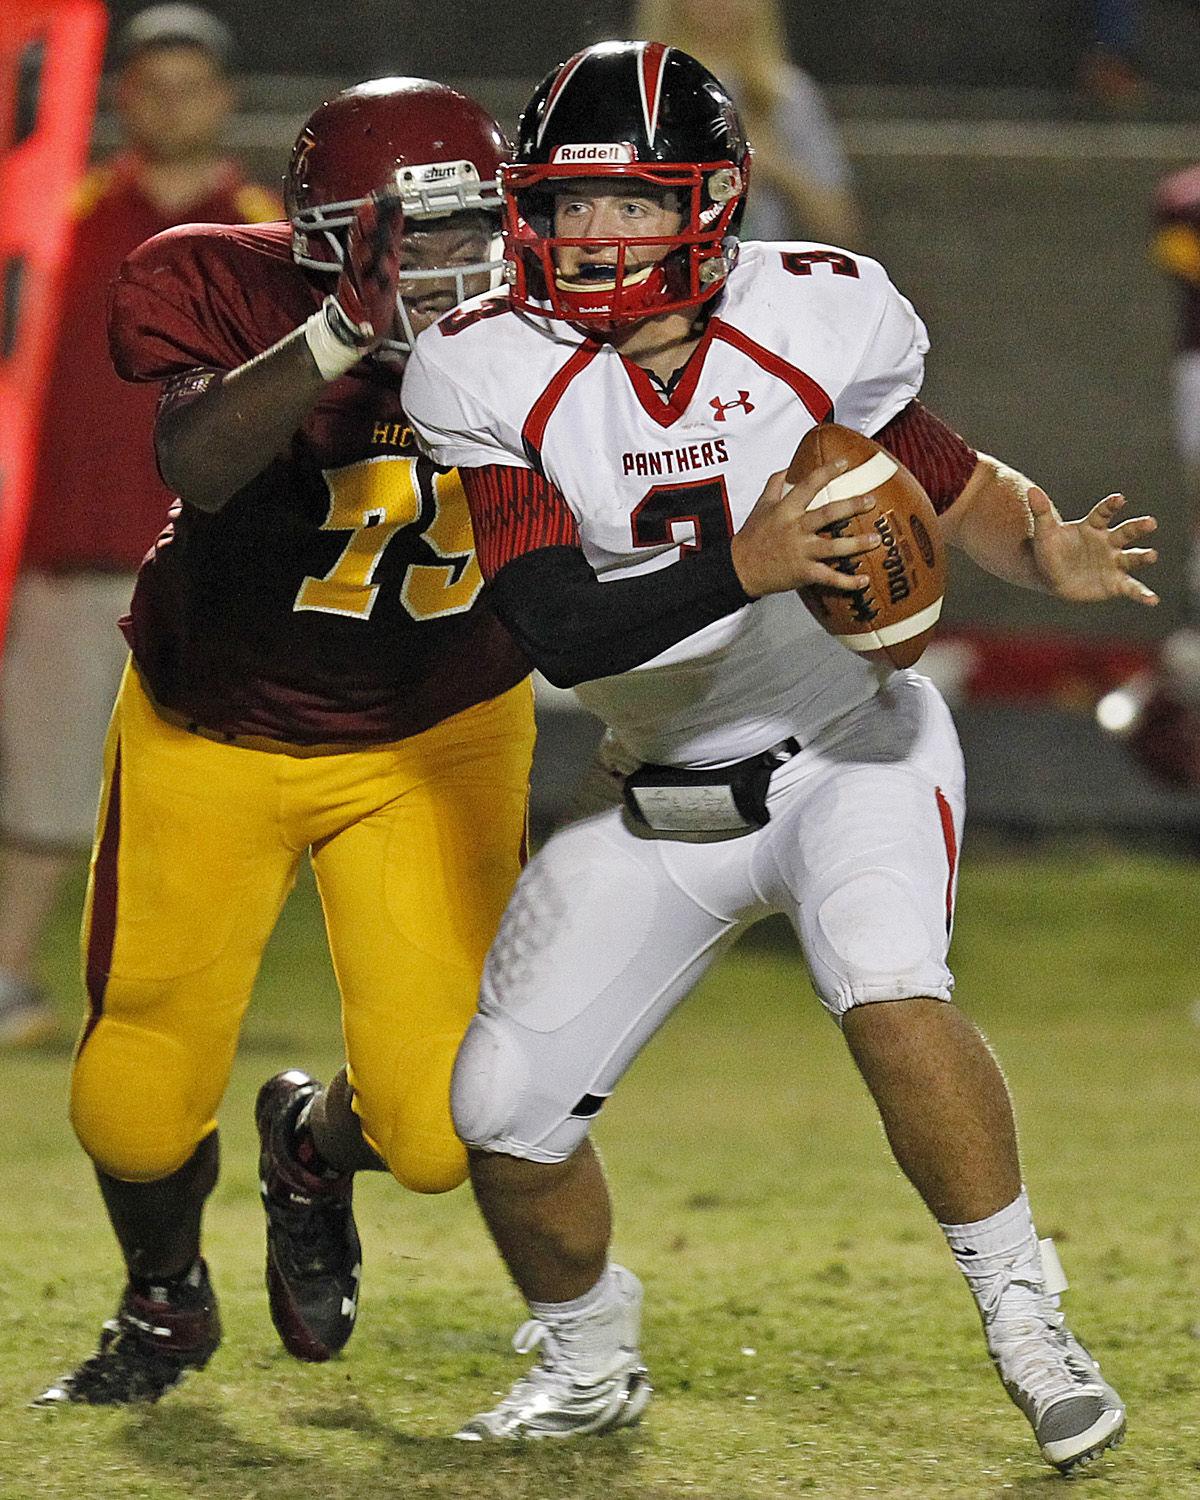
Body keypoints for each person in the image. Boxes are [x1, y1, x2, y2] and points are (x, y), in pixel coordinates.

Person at [402, 41, 1156, 1469]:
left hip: (847, 749)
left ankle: (1023, 1312)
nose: (590, 235)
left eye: (629, 204)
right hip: (657, 795)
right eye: (565, 205)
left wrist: (1035, 544)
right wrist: (746, 567)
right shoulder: (485, 362)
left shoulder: (815, 314)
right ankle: (586, 1360)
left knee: (885, 984)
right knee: (499, 1116)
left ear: (713, 202)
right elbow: (557, 625)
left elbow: (939, 473)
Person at [34, 78, 533, 1406]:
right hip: (222, 721)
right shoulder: (213, 283)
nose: (440, 264)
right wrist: (334, 339)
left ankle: (309, 1146)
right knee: (130, 1100)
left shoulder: (559, 303)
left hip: (438, 729)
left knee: (436, 1130)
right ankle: (164, 1302)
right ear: (325, 231)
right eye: (402, 236)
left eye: (464, 229)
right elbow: (196, 463)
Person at [0, 3, 281, 1048]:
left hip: (216, 567)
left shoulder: (267, 231)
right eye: (148, 83)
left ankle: (185, 1002)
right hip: (70, 553)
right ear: (117, 97)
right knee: (45, 785)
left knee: (216, 798)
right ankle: (8, 980)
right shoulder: (51, 219)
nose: (169, 103)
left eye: (189, 84)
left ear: (224, 98)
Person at [631, 0, 859, 245]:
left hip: (762, 273)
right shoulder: (639, 92)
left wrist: (775, 168)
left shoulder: (786, 95)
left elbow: (841, 229)